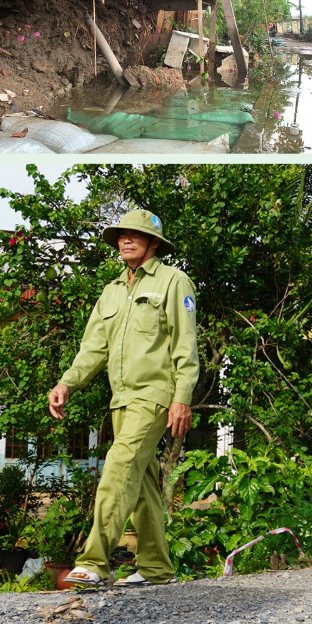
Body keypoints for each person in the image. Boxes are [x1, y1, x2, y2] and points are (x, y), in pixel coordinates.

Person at [49, 210, 199, 587]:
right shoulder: (112, 290)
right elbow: (93, 348)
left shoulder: (173, 282)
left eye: (135, 234)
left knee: (118, 468)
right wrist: (68, 383)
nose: (125, 239)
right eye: (120, 234)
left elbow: (185, 345)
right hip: (121, 401)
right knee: (143, 483)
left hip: (153, 397)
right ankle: (156, 569)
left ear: (154, 243)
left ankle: (94, 561)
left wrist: (181, 397)